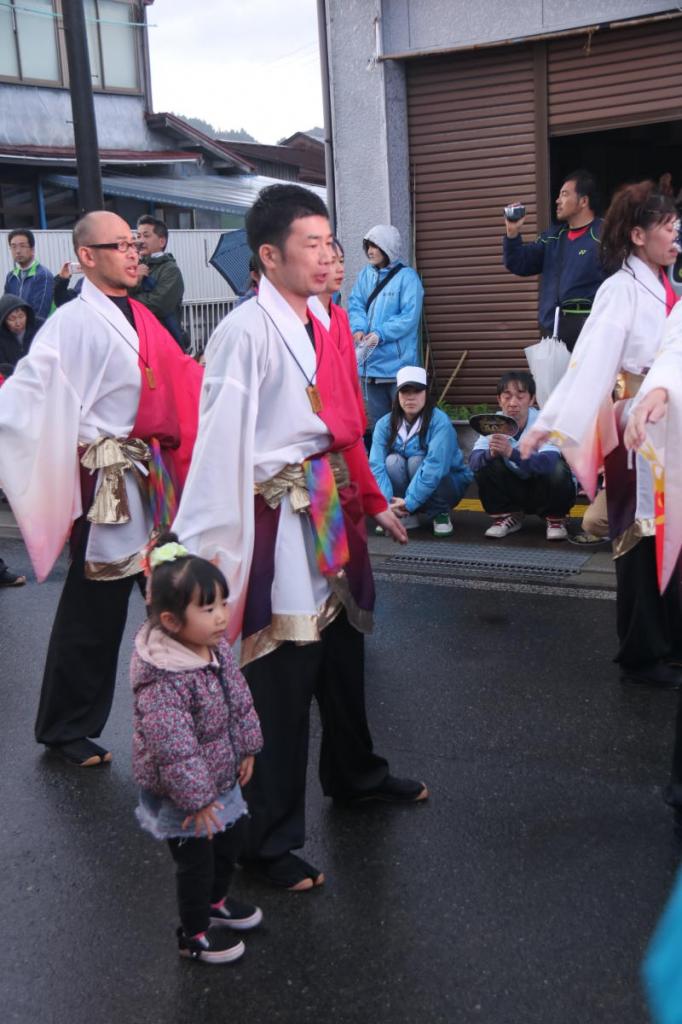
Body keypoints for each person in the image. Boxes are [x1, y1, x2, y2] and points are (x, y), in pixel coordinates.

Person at [173, 183, 428, 893]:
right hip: (279, 513)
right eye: (309, 244)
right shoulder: (244, 333)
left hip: (328, 501)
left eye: (328, 242)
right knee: (283, 675)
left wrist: (369, 500)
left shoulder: (322, 318)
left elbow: (342, 428)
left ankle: (355, 774)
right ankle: (266, 838)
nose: (325, 256)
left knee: (343, 650)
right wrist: (196, 558)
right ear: (268, 255)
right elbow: (218, 447)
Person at [0, 210, 203, 766]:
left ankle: (193, 719)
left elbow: (182, 376)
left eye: (135, 243)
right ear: (87, 256)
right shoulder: (71, 322)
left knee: (174, 599)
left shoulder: (141, 314)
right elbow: (28, 391)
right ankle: (65, 727)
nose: (134, 253)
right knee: (94, 608)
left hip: (151, 474)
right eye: (121, 245)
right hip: (109, 480)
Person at [521, 181, 682, 689]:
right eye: (666, 225)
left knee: (672, 532)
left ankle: (671, 640)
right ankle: (641, 651)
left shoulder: (667, 286)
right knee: (640, 534)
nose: (676, 233)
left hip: (669, 424)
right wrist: (548, 423)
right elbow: (591, 364)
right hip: (635, 426)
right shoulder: (620, 289)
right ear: (637, 235)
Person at [132, 534, 263, 965]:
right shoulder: (162, 676)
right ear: (171, 621)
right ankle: (194, 934)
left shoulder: (214, 647)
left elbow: (238, 698)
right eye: (208, 609)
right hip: (182, 795)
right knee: (196, 863)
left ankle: (215, 901)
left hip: (218, 775)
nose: (222, 616)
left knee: (232, 839)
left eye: (223, 603)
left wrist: (248, 745)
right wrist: (197, 798)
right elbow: (174, 748)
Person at [503, 169, 605, 351]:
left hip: (593, 334)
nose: (558, 200)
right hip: (554, 334)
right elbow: (519, 263)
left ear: (583, 201)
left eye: (564, 194)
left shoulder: (604, 235)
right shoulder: (552, 237)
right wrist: (512, 232)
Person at [469, 370, 575, 540]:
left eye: (520, 396)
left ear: (532, 399)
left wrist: (511, 453)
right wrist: (491, 453)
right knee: (485, 463)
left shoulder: (545, 423)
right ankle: (507, 516)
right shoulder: (492, 423)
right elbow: (473, 462)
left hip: (542, 489)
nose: (513, 403)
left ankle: (556, 519)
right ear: (499, 400)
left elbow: (548, 463)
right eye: (507, 396)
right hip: (515, 489)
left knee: (557, 469)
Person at [369, 365, 473, 536]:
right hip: (407, 497)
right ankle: (401, 512)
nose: (410, 397)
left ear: (426, 393)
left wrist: (410, 502)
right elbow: (376, 465)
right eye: (405, 391)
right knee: (391, 462)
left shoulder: (440, 422)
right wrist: (385, 504)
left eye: (417, 391)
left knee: (417, 461)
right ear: (397, 395)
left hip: (449, 485)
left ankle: (440, 513)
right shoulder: (384, 424)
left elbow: (435, 466)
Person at [347, 224, 424, 429]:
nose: (370, 251)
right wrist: (358, 329)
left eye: (375, 246)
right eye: (368, 246)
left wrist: (380, 334)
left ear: (388, 248)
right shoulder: (365, 275)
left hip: (398, 368)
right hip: (370, 368)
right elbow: (356, 305)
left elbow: (409, 318)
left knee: (406, 426)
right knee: (380, 427)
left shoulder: (408, 278)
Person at [129, 215, 188, 349]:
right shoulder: (135, 265)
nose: (140, 240)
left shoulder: (170, 270)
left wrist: (128, 300)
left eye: (146, 236)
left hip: (164, 342)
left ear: (161, 242)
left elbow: (158, 305)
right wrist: (136, 280)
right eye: (138, 236)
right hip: (139, 340)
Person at [4, 228, 54, 328]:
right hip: (17, 331)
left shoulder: (43, 275)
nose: (18, 251)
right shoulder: (11, 276)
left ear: (32, 249)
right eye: (13, 247)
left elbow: (40, 314)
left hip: (40, 332)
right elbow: (6, 308)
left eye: (22, 246)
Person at [0, 294, 37, 376]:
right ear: (4, 320)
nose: (18, 322)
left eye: (21, 316)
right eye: (12, 319)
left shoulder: (40, 327)